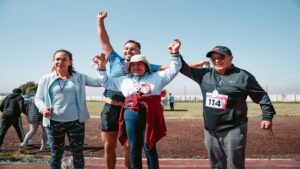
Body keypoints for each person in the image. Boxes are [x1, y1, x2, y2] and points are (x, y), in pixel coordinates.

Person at [97, 11, 208, 169]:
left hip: (141, 110)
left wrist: (194, 62)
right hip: (114, 109)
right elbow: (104, 43)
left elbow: (173, 68)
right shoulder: (115, 60)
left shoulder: (151, 72)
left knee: (137, 147)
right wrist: (100, 21)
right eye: (126, 48)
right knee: (111, 146)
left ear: (141, 55)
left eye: (133, 49)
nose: (129, 51)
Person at [180, 46, 276, 169]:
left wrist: (267, 116)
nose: (216, 61)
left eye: (220, 57)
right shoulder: (204, 74)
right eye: (213, 58)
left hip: (233, 129)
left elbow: (261, 96)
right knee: (216, 165)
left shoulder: (243, 76)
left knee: (235, 165)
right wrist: (175, 53)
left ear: (231, 58)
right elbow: (183, 68)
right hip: (210, 130)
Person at [93, 39, 182, 169]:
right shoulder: (123, 80)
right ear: (129, 68)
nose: (136, 67)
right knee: (134, 148)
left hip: (150, 116)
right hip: (131, 116)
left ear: (146, 66)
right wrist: (101, 68)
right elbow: (105, 82)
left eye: (140, 64)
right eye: (133, 65)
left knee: (150, 147)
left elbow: (175, 68)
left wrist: (175, 54)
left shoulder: (157, 77)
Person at [34, 49, 102, 169]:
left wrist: (100, 67)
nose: (60, 61)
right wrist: (43, 108)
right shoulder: (45, 79)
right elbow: (38, 98)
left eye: (64, 59)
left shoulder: (80, 77)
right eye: (58, 59)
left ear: (71, 62)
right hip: (53, 123)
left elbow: (99, 82)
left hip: (76, 122)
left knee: (78, 154)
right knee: (56, 154)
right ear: (53, 61)